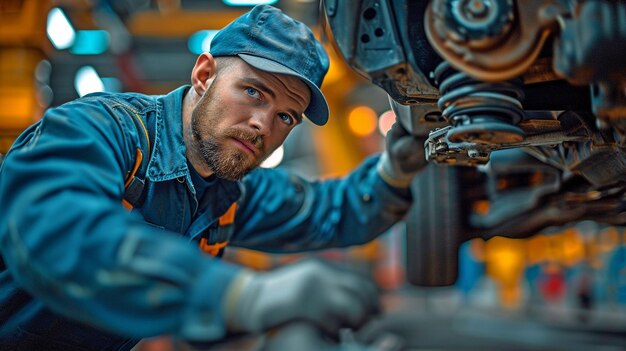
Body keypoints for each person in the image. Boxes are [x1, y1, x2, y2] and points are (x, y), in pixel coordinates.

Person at [0, 5, 426, 351]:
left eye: (285, 116)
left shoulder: (228, 189)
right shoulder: (101, 130)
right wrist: (242, 297)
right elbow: (58, 231)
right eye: (254, 91)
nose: (263, 125)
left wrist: (394, 171)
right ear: (204, 75)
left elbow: (327, 210)